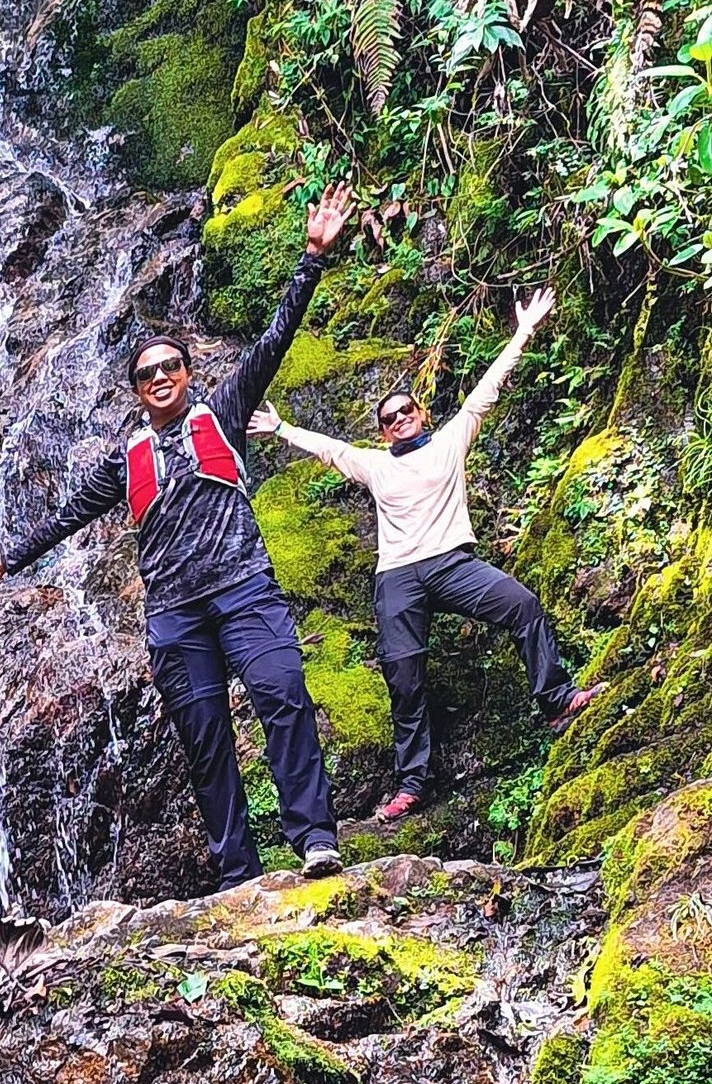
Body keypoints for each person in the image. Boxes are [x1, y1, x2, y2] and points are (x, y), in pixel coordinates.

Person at [0, 184, 359, 891]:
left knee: (283, 694)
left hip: (243, 589)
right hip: (174, 614)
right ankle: (238, 871)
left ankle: (315, 837)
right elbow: (68, 514)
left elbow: (274, 341)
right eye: (148, 373)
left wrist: (311, 259)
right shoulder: (126, 458)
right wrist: (4, 563)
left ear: (188, 374)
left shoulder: (222, 412)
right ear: (137, 390)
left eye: (172, 366)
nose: (162, 377)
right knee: (205, 742)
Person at [248, 286, 598, 822]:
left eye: (405, 410)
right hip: (398, 576)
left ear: (421, 412)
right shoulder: (375, 464)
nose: (399, 419)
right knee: (403, 675)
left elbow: (487, 388)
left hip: (452, 562)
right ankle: (412, 782)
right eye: (389, 418)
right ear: (382, 431)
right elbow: (330, 448)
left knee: (524, 605)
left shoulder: (451, 440)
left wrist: (524, 331)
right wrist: (281, 429)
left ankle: (556, 700)